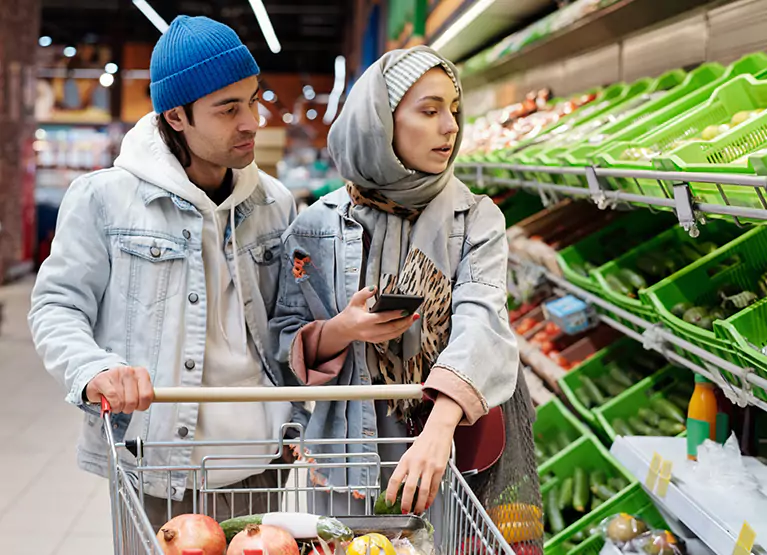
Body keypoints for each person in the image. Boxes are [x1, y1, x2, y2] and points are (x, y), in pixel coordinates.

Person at [28, 15, 306, 530]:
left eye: (253, 99)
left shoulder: (274, 202)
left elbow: (287, 320)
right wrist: (93, 369)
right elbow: (57, 306)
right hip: (159, 463)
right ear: (176, 117)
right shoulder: (104, 200)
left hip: (263, 461)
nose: (252, 121)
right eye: (229, 109)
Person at [270, 46, 540, 519]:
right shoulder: (317, 225)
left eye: (454, 111)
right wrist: (345, 329)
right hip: (348, 450)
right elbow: (285, 337)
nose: (451, 127)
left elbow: (482, 319)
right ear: (380, 121)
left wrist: (437, 433)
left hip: (450, 444)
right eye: (429, 111)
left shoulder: (474, 219)